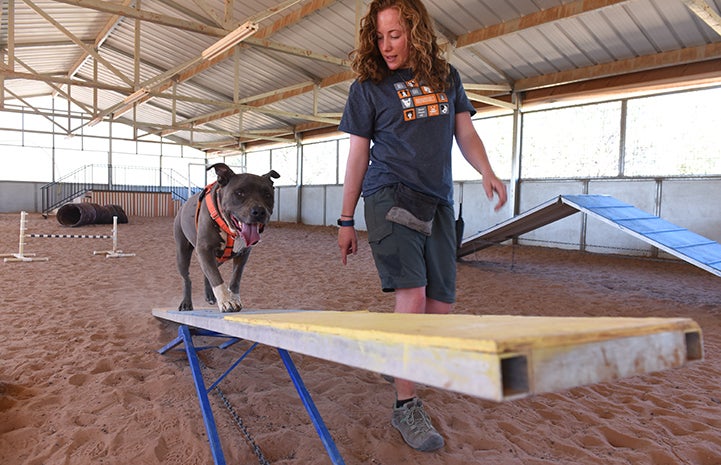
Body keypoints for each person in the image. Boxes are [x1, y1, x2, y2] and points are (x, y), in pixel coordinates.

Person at [336, 0, 507, 453]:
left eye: (395, 34)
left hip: (438, 201)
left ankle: (399, 358)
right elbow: (356, 156)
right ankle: (405, 407)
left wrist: (487, 170)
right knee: (411, 296)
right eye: (379, 36)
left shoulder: (446, 77)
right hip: (388, 195)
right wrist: (346, 218)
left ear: (416, 31)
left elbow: (464, 132)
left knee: (442, 303)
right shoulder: (368, 88)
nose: (386, 45)